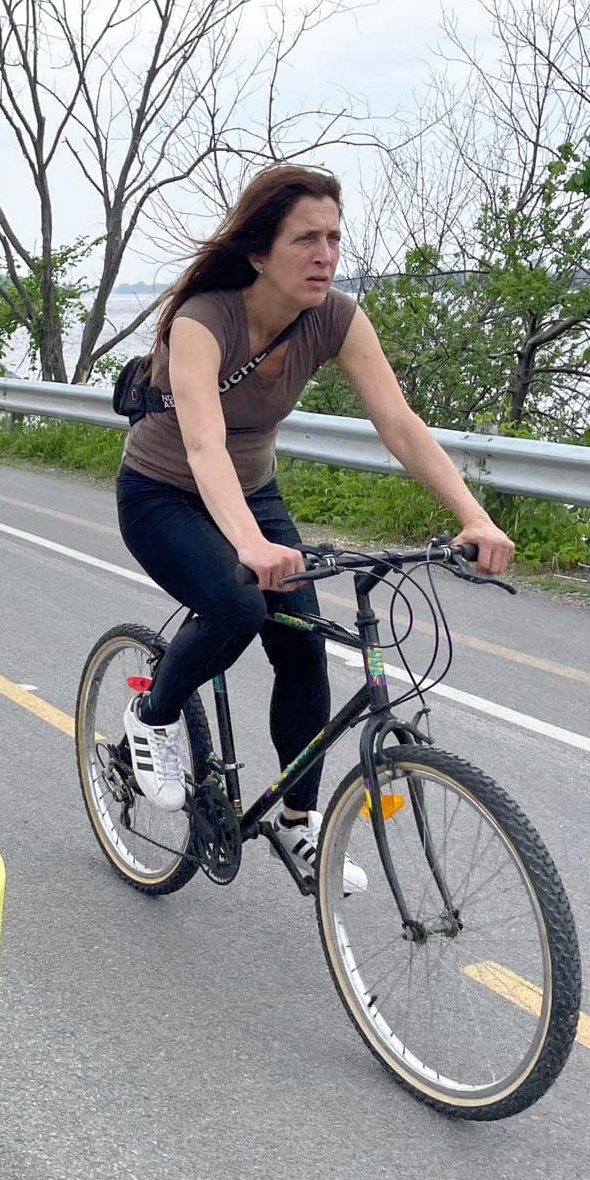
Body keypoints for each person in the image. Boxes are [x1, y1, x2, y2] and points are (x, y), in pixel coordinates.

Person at [116, 163, 515, 888]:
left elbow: (398, 422)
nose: (326, 254)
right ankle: (154, 714)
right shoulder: (204, 319)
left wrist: (474, 517)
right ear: (260, 252)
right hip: (162, 494)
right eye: (307, 239)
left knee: (300, 646)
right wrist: (251, 546)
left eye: (334, 237)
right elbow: (204, 445)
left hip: (254, 494)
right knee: (237, 605)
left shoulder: (335, 315)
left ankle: (299, 826)